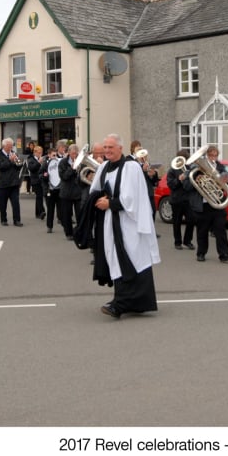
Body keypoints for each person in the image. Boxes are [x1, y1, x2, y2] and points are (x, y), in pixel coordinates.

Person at [85, 133, 159, 319]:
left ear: (120, 148)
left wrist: (110, 203)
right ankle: (129, 301)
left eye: (111, 147)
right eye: (105, 147)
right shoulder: (103, 167)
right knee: (116, 259)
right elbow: (94, 190)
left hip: (129, 224)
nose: (107, 150)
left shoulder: (131, 167)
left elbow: (132, 197)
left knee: (130, 259)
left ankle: (121, 303)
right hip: (110, 223)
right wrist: (99, 199)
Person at [185, 145, 228, 263]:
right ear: (206, 156)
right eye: (211, 155)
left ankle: (224, 254)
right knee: (202, 230)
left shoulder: (221, 167)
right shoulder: (195, 169)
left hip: (218, 204)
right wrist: (196, 180)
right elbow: (186, 186)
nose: (213, 158)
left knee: (220, 230)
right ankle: (201, 253)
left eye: (215, 155)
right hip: (203, 205)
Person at [167, 149, 195, 250]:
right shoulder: (172, 169)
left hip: (188, 199)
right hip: (177, 199)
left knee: (191, 220)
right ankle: (177, 242)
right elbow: (171, 185)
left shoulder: (190, 169)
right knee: (177, 222)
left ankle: (187, 241)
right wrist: (179, 179)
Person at [0, 137, 23, 226]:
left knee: (16, 203)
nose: (11, 148)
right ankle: (3, 219)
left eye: (11, 146)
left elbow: (18, 167)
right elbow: (0, 167)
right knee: (3, 204)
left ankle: (17, 220)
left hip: (13, 183)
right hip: (3, 183)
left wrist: (18, 162)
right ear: (4, 146)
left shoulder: (13, 154)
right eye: (9, 146)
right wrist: (10, 160)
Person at [58, 143, 84, 240]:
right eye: (73, 154)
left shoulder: (81, 162)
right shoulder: (63, 163)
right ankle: (69, 233)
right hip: (66, 193)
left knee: (80, 214)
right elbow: (64, 177)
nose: (75, 156)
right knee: (67, 215)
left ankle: (79, 232)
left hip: (78, 192)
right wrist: (72, 168)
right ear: (68, 153)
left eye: (76, 154)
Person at [41, 141, 66, 233]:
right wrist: (45, 176)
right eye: (53, 155)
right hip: (49, 190)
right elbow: (40, 175)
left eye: (55, 155)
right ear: (49, 155)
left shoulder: (60, 163)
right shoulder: (45, 163)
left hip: (59, 189)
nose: (54, 157)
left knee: (62, 208)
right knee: (50, 209)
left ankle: (65, 226)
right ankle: (49, 226)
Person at [27, 144, 46, 219]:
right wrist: (38, 162)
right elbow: (31, 168)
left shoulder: (42, 159)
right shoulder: (31, 159)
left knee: (39, 196)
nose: (40, 154)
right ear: (35, 152)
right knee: (39, 195)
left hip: (42, 180)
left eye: (41, 152)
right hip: (35, 180)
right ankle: (41, 211)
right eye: (39, 152)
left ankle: (37, 213)